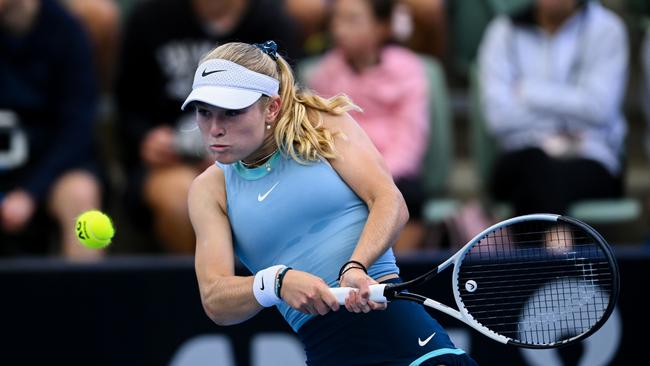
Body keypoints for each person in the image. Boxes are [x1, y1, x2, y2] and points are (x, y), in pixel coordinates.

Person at [187, 40, 477, 365]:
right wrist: (276, 282)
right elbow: (215, 300)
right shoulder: (208, 190)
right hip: (327, 352)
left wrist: (356, 267)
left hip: (407, 341)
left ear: (271, 107)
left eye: (232, 112)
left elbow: (389, 201)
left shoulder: (319, 124)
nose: (215, 129)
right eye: (204, 112)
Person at [115, 0, 302, 254]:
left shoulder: (273, 21)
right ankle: (197, 287)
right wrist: (145, 138)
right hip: (169, 163)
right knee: (181, 197)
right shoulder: (149, 17)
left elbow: (286, 104)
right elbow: (127, 103)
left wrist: (236, 158)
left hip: (254, 158)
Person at [477, 0, 628, 216]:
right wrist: (572, 109)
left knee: (538, 179)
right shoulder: (502, 31)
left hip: (591, 157)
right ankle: (560, 246)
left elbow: (599, 109)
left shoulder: (607, 28)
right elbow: (498, 117)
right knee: (534, 164)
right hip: (520, 157)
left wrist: (529, 92)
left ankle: (553, 246)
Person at [305, 0, 430, 253]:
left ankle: (395, 276)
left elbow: (410, 140)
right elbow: (319, 134)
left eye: (352, 20)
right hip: (341, 170)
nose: (339, 29)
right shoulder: (324, 72)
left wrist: (375, 178)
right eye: (336, 20)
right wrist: (351, 174)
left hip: (392, 172)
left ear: (381, 27)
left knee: (410, 195)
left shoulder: (408, 70)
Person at [0, 0, 104, 259]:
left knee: (82, 197)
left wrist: (30, 192)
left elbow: (77, 129)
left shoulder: (66, 31)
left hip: (50, 168)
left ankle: (87, 293)